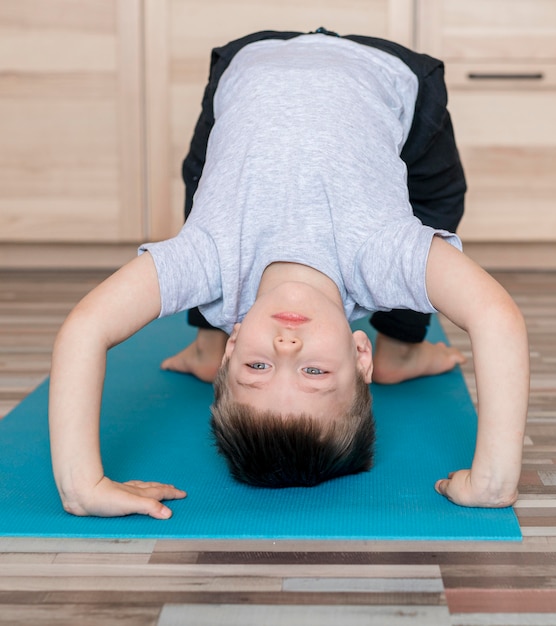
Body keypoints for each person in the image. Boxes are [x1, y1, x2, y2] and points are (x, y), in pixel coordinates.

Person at [48, 29, 529, 519]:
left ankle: (202, 344)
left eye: (256, 368)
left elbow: (86, 328)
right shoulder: (382, 253)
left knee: (199, 191)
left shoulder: (208, 257)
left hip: (249, 61)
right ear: (360, 356)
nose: (286, 348)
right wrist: (492, 480)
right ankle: (401, 349)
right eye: (314, 373)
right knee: (437, 202)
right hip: (383, 70)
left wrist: (82, 485)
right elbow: (495, 317)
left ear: (233, 348)